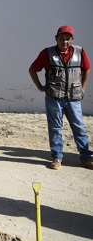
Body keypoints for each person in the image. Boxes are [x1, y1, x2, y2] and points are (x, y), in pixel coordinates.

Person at [29, 25, 92, 170]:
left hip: (73, 98)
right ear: (56, 38)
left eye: (68, 39)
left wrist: (83, 88)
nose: (65, 42)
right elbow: (32, 69)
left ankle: (86, 158)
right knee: (55, 128)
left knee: (79, 128)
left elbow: (87, 69)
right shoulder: (47, 53)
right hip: (54, 97)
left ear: (72, 39)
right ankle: (57, 158)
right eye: (61, 39)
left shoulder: (80, 52)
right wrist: (40, 87)